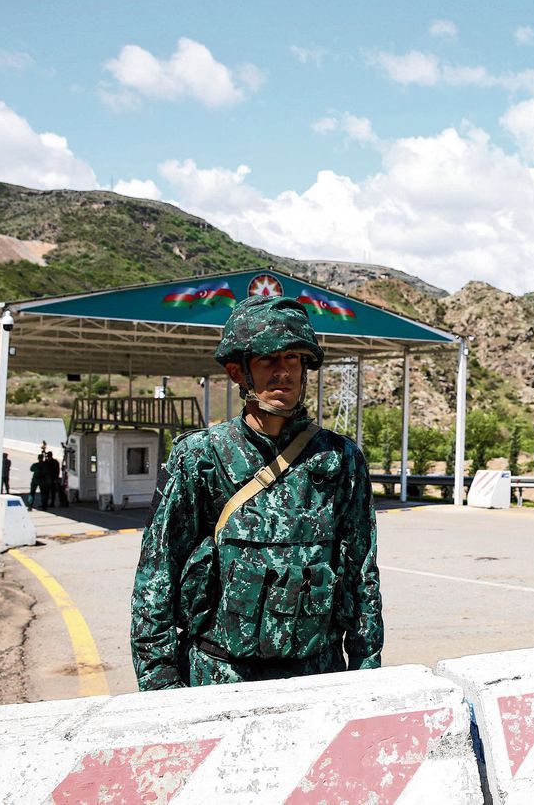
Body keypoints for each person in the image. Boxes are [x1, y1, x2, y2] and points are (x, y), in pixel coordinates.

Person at [131, 295, 382, 691]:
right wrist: (159, 683)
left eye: (294, 360)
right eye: (268, 360)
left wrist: (367, 667)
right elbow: (157, 574)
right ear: (238, 371)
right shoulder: (201, 457)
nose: (283, 372)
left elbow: (361, 573)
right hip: (220, 677)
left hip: (317, 677)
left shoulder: (340, 459)